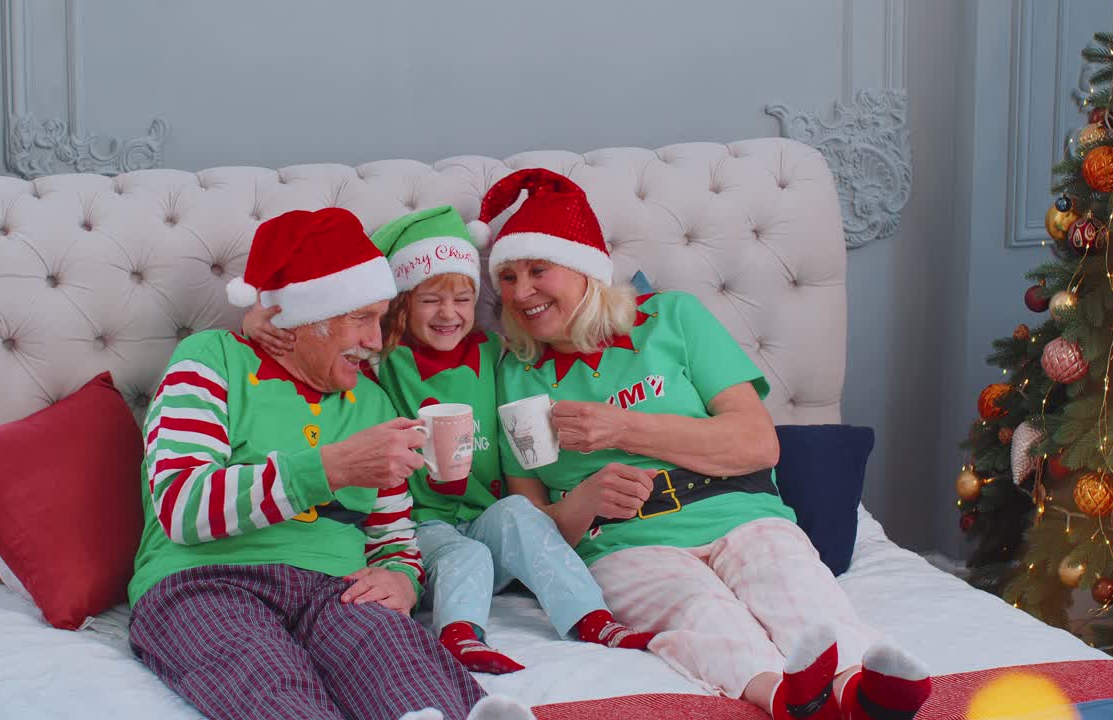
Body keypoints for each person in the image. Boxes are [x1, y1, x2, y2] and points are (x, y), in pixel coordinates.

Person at [481, 169, 933, 720]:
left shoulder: (673, 318)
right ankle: (788, 701)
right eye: (506, 276)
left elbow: (757, 445)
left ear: (582, 266)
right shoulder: (515, 375)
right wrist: (585, 501)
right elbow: (527, 530)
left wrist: (621, 429)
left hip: (740, 512)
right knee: (701, 610)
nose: (520, 291)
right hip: (625, 545)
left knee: (792, 584)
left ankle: (857, 690)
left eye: (537, 270)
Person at [130, 208, 532, 720]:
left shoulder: (372, 402)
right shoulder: (211, 358)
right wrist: (331, 468)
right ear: (303, 321)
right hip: (204, 581)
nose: (373, 339)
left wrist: (404, 579)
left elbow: (393, 538)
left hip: (337, 590)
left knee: (400, 665)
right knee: (268, 681)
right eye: (360, 319)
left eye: (379, 318)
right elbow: (184, 507)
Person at [244, 206, 653, 677]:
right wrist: (259, 324)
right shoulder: (383, 361)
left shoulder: (493, 353)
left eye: (462, 300)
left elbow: (567, 336)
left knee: (519, 516)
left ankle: (592, 619)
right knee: (465, 553)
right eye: (430, 301)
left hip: (482, 520)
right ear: (401, 304)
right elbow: (317, 341)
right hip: (421, 533)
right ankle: (459, 636)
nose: (448, 314)